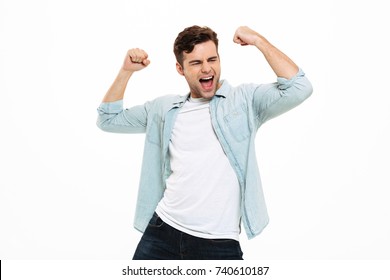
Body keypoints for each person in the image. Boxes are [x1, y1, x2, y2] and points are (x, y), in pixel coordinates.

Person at [97, 25, 313, 260]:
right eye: (196, 62)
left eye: (212, 59)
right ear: (180, 69)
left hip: (218, 244)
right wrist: (126, 71)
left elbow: (300, 88)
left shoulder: (244, 101)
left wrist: (259, 41)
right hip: (162, 233)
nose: (207, 68)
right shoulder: (164, 109)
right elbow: (108, 119)